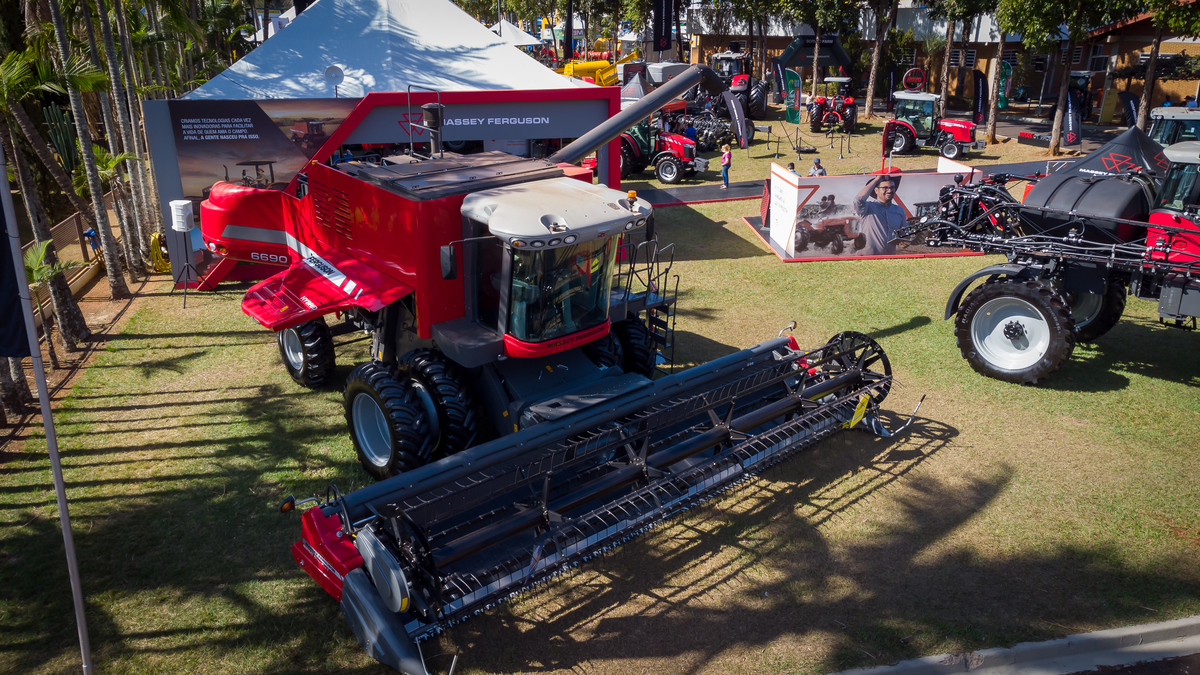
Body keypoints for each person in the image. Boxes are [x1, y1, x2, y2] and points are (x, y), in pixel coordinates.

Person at [853, 174, 907, 255]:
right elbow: (858, 200)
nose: (889, 191)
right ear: (876, 190)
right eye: (885, 188)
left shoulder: (899, 210)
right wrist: (876, 180)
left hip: (889, 258)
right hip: (867, 258)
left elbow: (904, 233)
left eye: (892, 187)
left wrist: (905, 241)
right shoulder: (868, 208)